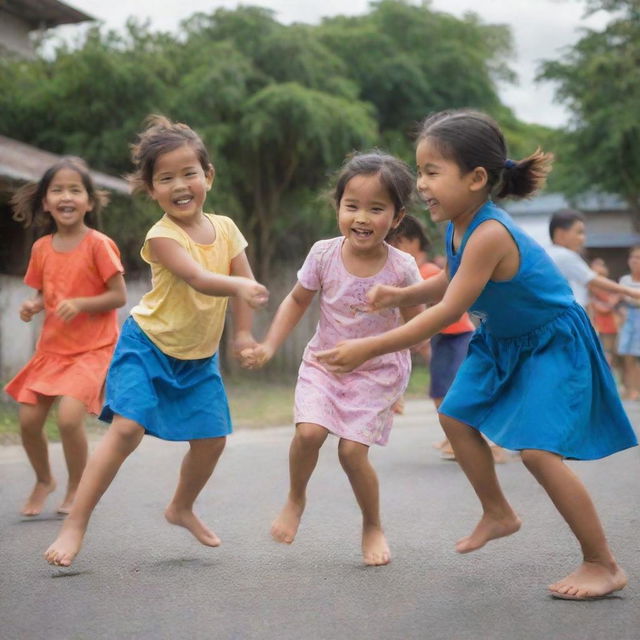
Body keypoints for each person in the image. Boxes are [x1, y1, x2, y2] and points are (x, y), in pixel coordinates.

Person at [315, 109, 638, 599]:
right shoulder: (457, 224)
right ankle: (498, 511)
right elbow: (453, 280)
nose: (421, 184)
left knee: (537, 452)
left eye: (431, 172)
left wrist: (369, 346)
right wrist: (401, 297)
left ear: (476, 178)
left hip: (550, 341)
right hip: (503, 341)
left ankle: (602, 562)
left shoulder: (489, 232)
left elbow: (448, 310)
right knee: (456, 415)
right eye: (420, 171)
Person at [44, 115, 268, 567]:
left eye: (189, 173)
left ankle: (181, 506)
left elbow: (243, 280)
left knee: (212, 438)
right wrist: (241, 289)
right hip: (146, 346)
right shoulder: (162, 235)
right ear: (151, 189)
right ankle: (75, 523)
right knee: (127, 428)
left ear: (208, 175)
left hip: (198, 359)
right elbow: (201, 279)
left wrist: (243, 332)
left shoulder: (226, 228)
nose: (180, 185)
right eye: (166, 178)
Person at [240, 152, 424, 565]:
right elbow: (297, 300)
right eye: (352, 205)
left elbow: (418, 323)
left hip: (376, 372)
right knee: (309, 434)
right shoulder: (323, 254)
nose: (362, 216)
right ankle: (295, 496)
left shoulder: (402, 268)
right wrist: (269, 344)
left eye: (376, 208)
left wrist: (412, 367)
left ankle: (372, 523)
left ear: (396, 218)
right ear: (338, 206)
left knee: (351, 453)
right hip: (324, 362)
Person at [4, 158, 126, 517]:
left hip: (93, 349)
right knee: (27, 420)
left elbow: (118, 296)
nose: (66, 196)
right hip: (52, 350)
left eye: (75, 189)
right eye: (57, 190)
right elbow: (48, 293)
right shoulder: (41, 248)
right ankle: (45, 480)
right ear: (45, 202)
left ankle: (77, 485)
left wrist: (84, 304)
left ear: (89, 201)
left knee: (70, 418)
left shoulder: (99, 245)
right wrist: (33, 305)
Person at [387, 215, 509, 462]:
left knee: (448, 392)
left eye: (397, 242)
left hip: (455, 336)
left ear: (411, 242)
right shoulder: (419, 270)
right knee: (443, 390)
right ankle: (457, 438)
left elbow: (435, 310)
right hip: (445, 339)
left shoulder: (428, 271)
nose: (393, 249)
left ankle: (486, 443)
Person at [547, 209, 640, 307]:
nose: (583, 238)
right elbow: (593, 279)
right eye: (579, 232)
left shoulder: (550, 253)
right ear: (561, 233)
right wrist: (632, 292)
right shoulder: (564, 255)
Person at [588, 257, 620, 369]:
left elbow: (613, 301)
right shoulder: (589, 286)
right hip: (594, 322)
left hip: (609, 322)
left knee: (609, 351)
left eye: (602, 266)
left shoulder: (610, 285)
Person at [617, 247, 640, 400]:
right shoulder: (624, 280)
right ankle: (630, 388)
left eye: (638, 257)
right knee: (626, 354)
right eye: (633, 257)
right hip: (627, 318)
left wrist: (630, 298)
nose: (635, 260)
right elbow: (620, 299)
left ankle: (636, 389)